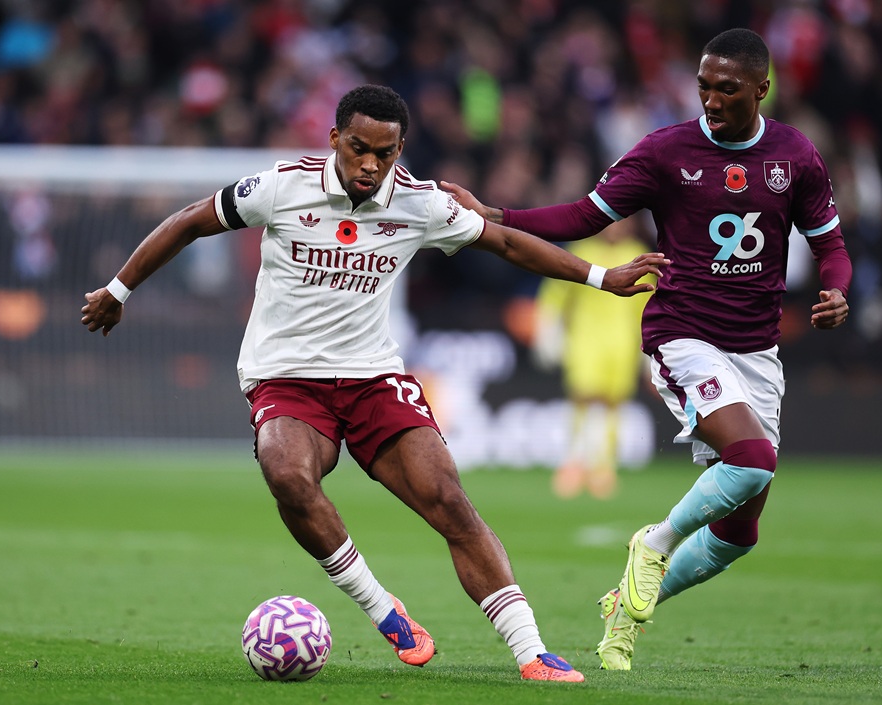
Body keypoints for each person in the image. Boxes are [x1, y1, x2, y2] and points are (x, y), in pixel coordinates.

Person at [81, 84, 670, 682]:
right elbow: (189, 222)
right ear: (335, 138)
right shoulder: (281, 187)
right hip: (286, 376)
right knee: (287, 474)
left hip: (372, 379)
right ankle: (384, 609)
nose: (369, 164)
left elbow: (505, 242)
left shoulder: (419, 203)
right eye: (358, 148)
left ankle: (531, 651)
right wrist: (118, 290)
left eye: (384, 153)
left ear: (399, 149)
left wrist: (602, 277)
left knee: (448, 501)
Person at [442, 28, 852, 671]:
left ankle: (625, 611)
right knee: (752, 460)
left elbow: (830, 245)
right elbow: (585, 216)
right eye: (704, 86)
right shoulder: (666, 151)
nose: (711, 100)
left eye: (727, 89)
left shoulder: (795, 155)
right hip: (684, 333)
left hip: (756, 349)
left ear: (761, 90)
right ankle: (654, 543)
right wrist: (496, 214)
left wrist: (836, 290)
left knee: (738, 535)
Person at [532, 217, 654, 499]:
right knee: (583, 397)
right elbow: (556, 294)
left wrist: (649, 348)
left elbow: (647, 306)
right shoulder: (581, 251)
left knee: (613, 403)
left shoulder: (637, 254)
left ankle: (603, 466)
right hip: (585, 339)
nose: (616, 228)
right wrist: (548, 331)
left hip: (623, 342)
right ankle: (573, 462)